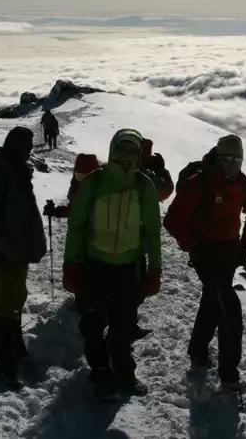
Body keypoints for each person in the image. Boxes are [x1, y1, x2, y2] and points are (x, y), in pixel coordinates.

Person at [62, 129, 162, 400]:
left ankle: (123, 371)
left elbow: (153, 231)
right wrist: (71, 265)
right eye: (121, 150)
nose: (125, 157)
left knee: (124, 324)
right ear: (112, 150)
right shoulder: (94, 183)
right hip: (95, 264)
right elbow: (76, 227)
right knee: (93, 322)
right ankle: (101, 372)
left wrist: (155, 269)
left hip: (129, 267)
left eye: (132, 152)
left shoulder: (144, 186)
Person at [163, 134, 246, 387]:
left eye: (237, 160)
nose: (232, 164)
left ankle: (197, 351)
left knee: (213, 301)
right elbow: (172, 220)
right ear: (218, 158)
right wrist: (195, 247)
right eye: (227, 159)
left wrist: (245, 247)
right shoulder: (201, 182)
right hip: (206, 254)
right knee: (229, 308)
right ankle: (228, 372)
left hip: (228, 253)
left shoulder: (240, 182)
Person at [0, 126, 47, 390]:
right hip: (0, 254)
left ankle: (14, 345)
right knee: (3, 304)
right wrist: (1, 246)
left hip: (15, 251)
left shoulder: (14, 169)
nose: (28, 150)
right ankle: (4, 362)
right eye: (25, 145)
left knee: (16, 297)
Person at [131, 138, 174, 339]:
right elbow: (165, 190)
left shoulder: (114, 172)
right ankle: (125, 327)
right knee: (134, 288)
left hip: (116, 240)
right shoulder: (145, 178)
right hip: (135, 242)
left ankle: (122, 323)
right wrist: (162, 171)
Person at [44, 153, 101, 219]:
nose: (83, 183)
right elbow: (74, 209)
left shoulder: (102, 188)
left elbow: (78, 210)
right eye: (78, 176)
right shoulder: (77, 185)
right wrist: (56, 211)